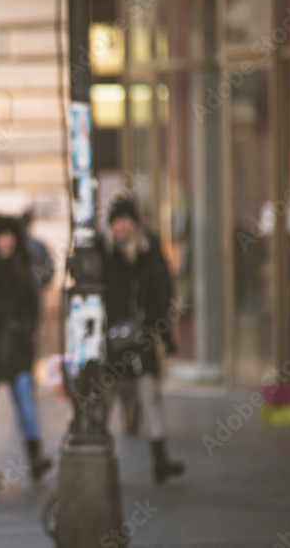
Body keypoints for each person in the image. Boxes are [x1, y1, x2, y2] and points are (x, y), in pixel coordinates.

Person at [102, 197, 184, 484]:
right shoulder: (102, 253)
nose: (123, 226)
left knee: (150, 393)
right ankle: (99, 458)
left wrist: (165, 335)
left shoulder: (149, 251)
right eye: (117, 220)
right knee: (106, 397)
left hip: (141, 338)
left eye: (127, 220)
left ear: (135, 223)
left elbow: (163, 292)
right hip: (110, 341)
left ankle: (160, 459)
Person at [0, 215, 53, 481]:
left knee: (25, 399)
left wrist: (25, 329)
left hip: (18, 347)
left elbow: (33, 304)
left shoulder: (26, 266)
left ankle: (35, 456)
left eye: (8, 236)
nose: (3, 242)